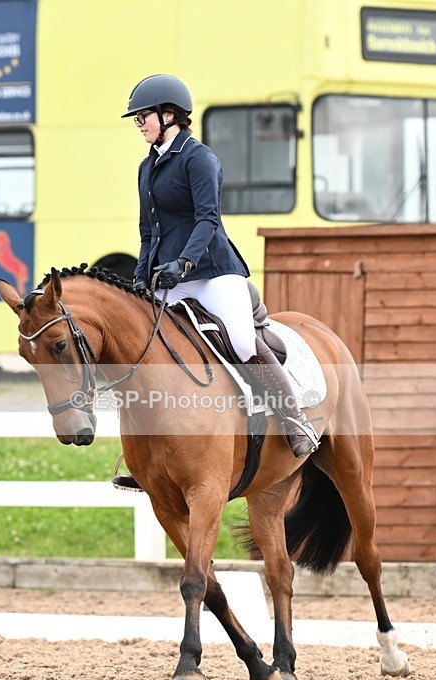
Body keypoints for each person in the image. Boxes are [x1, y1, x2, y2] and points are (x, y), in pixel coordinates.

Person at [113, 74, 318, 491]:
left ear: (168, 115)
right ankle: (145, 455)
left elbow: (208, 219)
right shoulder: (146, 167)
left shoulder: (199, 158)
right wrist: (140, 276)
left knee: (242, 343)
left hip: (211, 270)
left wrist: (184, 263)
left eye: (143, 116)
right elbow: (148, 230)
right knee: (141, 347)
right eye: (137, 119)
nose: (139, 124)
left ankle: (295, 421)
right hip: (166, 275)